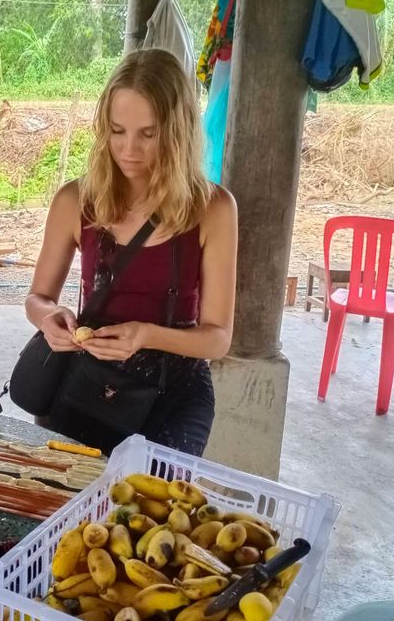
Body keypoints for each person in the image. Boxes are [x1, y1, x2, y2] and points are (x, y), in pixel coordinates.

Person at [24, 48, 238, 456]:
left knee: (150, 511)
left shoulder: (213, 209)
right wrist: (50, 319)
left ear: (177, 131)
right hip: (87, 381)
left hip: (173, 391)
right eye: (117, 131)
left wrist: (146, 336)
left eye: (148, 133)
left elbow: (217, 339)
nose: (129, 150)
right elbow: (37, 299)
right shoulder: (75, 200)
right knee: (69, 505)